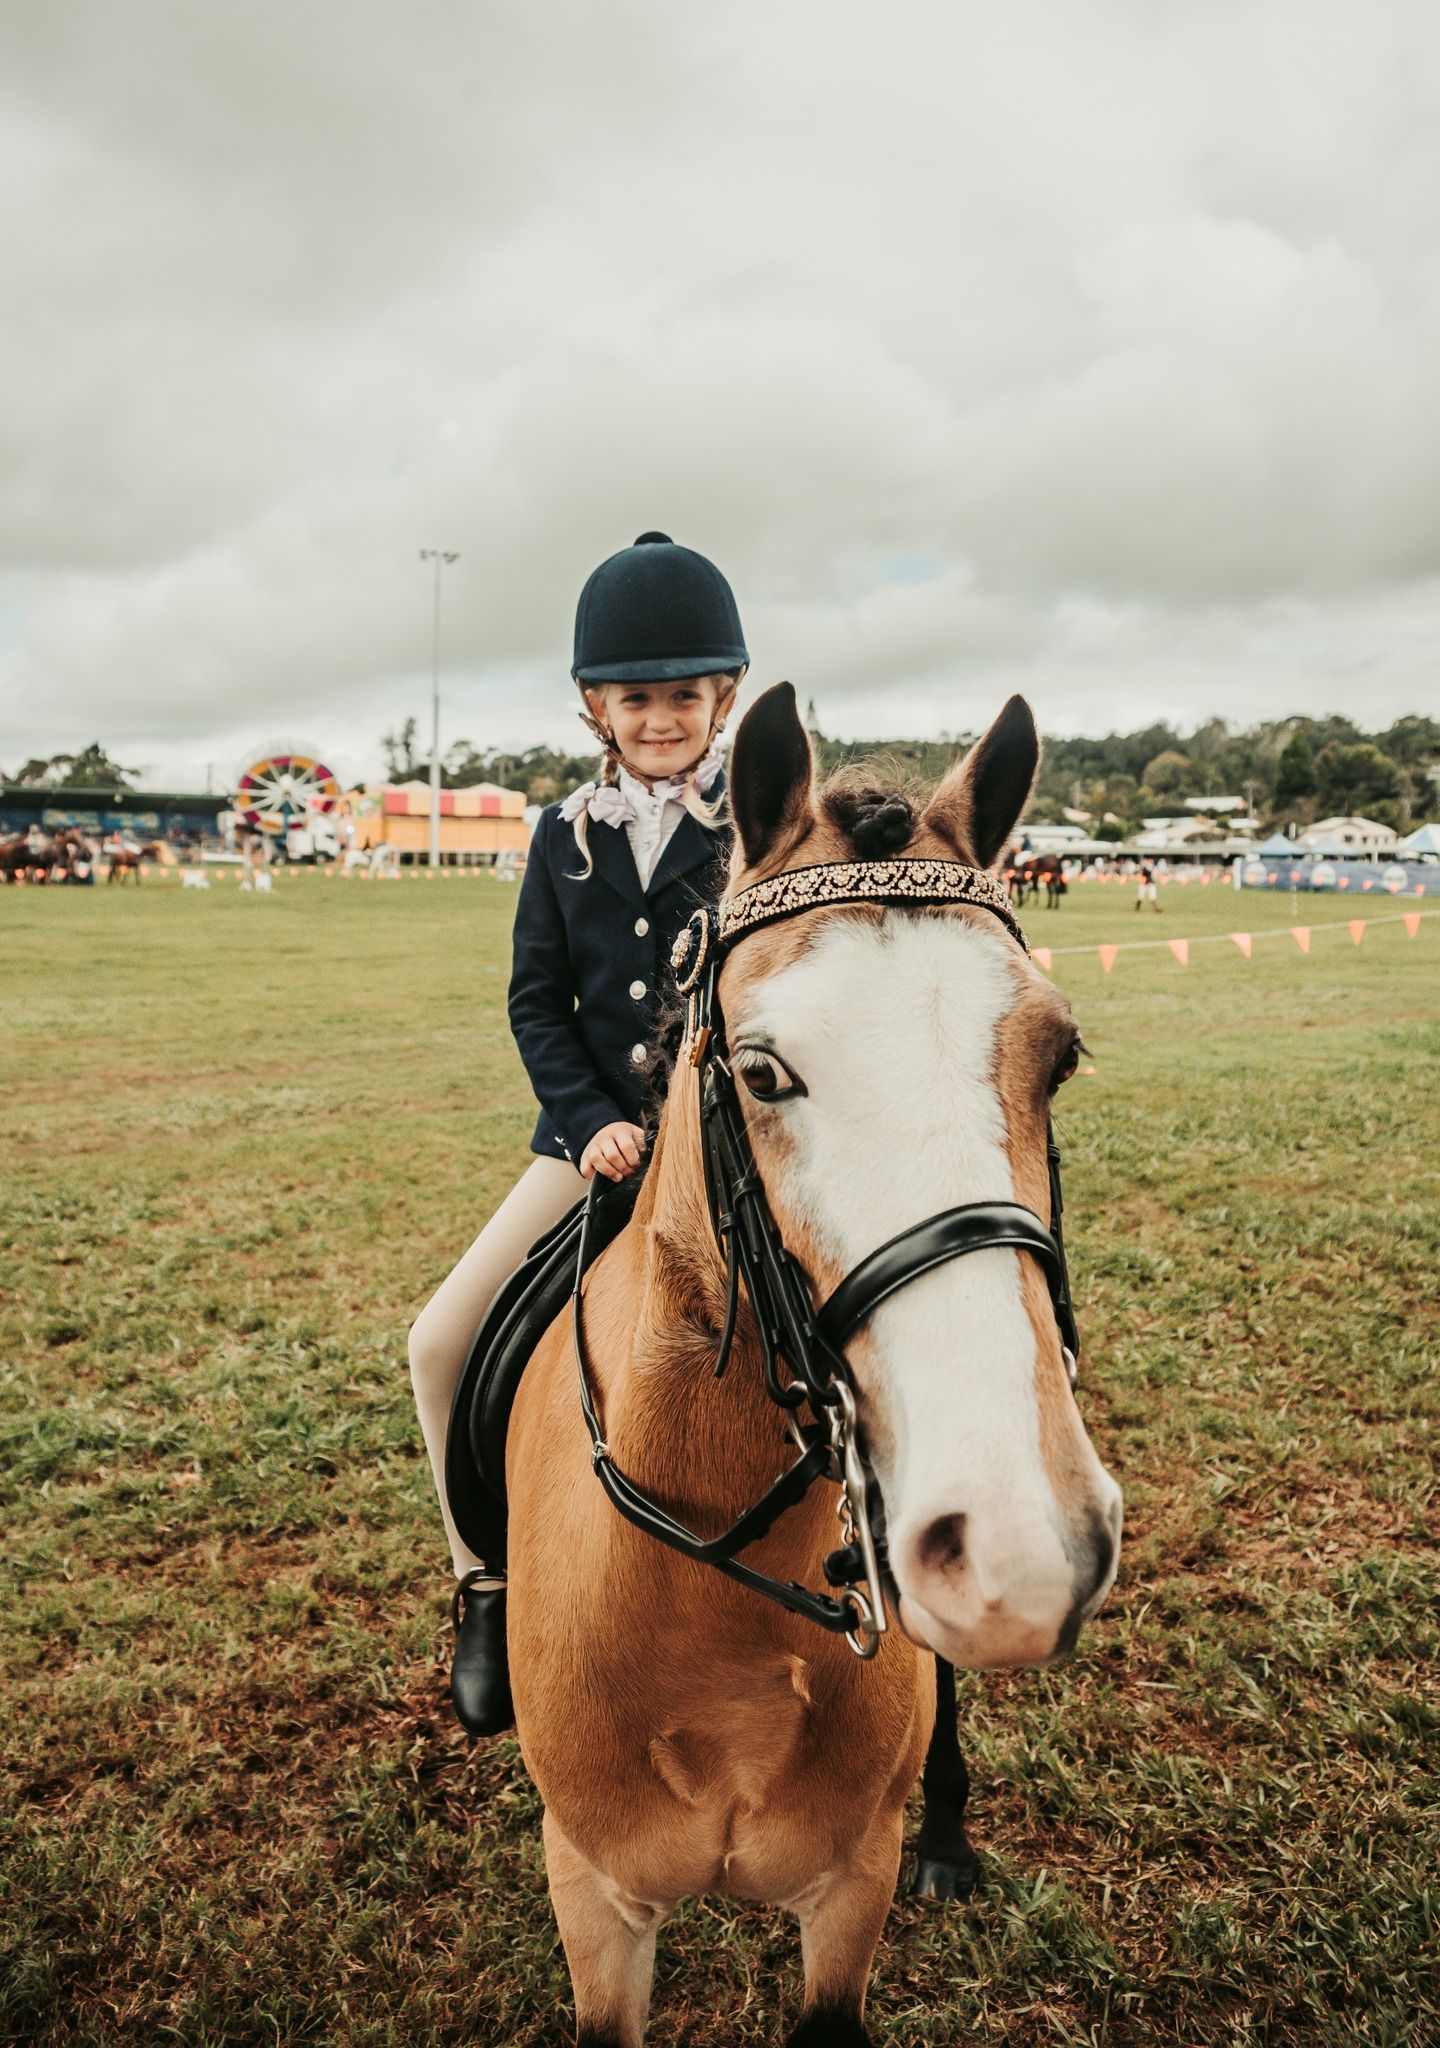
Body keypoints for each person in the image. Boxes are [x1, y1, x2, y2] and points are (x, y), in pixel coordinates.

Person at [406, 532, 747, 1735]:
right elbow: (533, 1002)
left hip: (731, 1158)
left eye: (685, 695)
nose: (662, 717)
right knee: (441, 1339)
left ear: (727, 698)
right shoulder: (563, 837)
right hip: (584, 1153)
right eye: (638, 697)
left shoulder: (759, 829)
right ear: (597, 705)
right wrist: (594, 1120)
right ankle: (485, 1586)